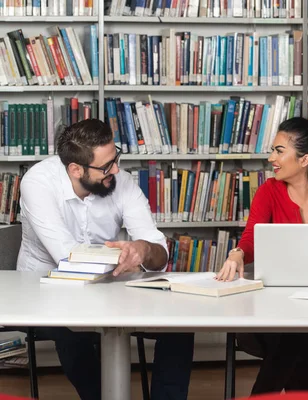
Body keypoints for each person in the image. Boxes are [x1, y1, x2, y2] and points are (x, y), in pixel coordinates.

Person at [16, 119, 194, 400]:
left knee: (180, 325)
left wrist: (144, 250)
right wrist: (123, 257)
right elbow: (67, 256)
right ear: (75, 169)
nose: (116, 170)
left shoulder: (120, 181)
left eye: (116, 158)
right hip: (46, 286)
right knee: (73, 332)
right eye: (106, 166)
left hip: (111, 284)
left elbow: (158, 250)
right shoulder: (37, 183)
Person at [216, 111, 308, 394]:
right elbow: (251, 238)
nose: (271, 159)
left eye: (279, 151)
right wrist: (238, 254)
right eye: (272, 151)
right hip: (274, 310)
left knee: (291, 338)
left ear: (304, 160)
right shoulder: (269, 191)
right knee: (292, 337)